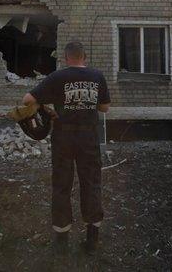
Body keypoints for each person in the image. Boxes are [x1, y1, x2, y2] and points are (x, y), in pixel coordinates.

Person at [22, 41, 111, 255]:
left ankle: (61, 239)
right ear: (84, 56)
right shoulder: (97, 76)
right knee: (91, 182)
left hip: (63, 137)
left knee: (62, 184)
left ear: (65, 57)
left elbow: (27, 100)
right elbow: (105, 108)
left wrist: (46, 106)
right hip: (88, 136)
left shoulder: (57, 77)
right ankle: (92, 239)